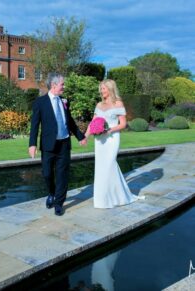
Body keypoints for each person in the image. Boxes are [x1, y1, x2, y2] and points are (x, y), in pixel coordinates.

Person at [29, 72, 87, 216]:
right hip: (48, 145)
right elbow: (34, 125)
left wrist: (80, 136)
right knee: (47, 173)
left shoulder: (64, 101)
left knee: (62, 174)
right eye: (62, 84)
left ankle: (58, 203)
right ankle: (52, 193)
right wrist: (32, 144)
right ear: (54, 85)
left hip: (64, 144)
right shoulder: (40, 102)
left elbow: (70, 121)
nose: (64, 87)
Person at [85, 79, 144, 208]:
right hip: (100, 140)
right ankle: (102, 200)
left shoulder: (118, 103)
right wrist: (85, 136)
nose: (101, 91)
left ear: (110, 89)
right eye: (100, 88)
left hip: (112, 138)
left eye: (103, 88)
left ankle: (115, 197)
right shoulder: (99, 105)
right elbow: (93, 123)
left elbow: (123, 124)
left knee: (110, 165)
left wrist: (109, 130)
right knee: (101, 168)